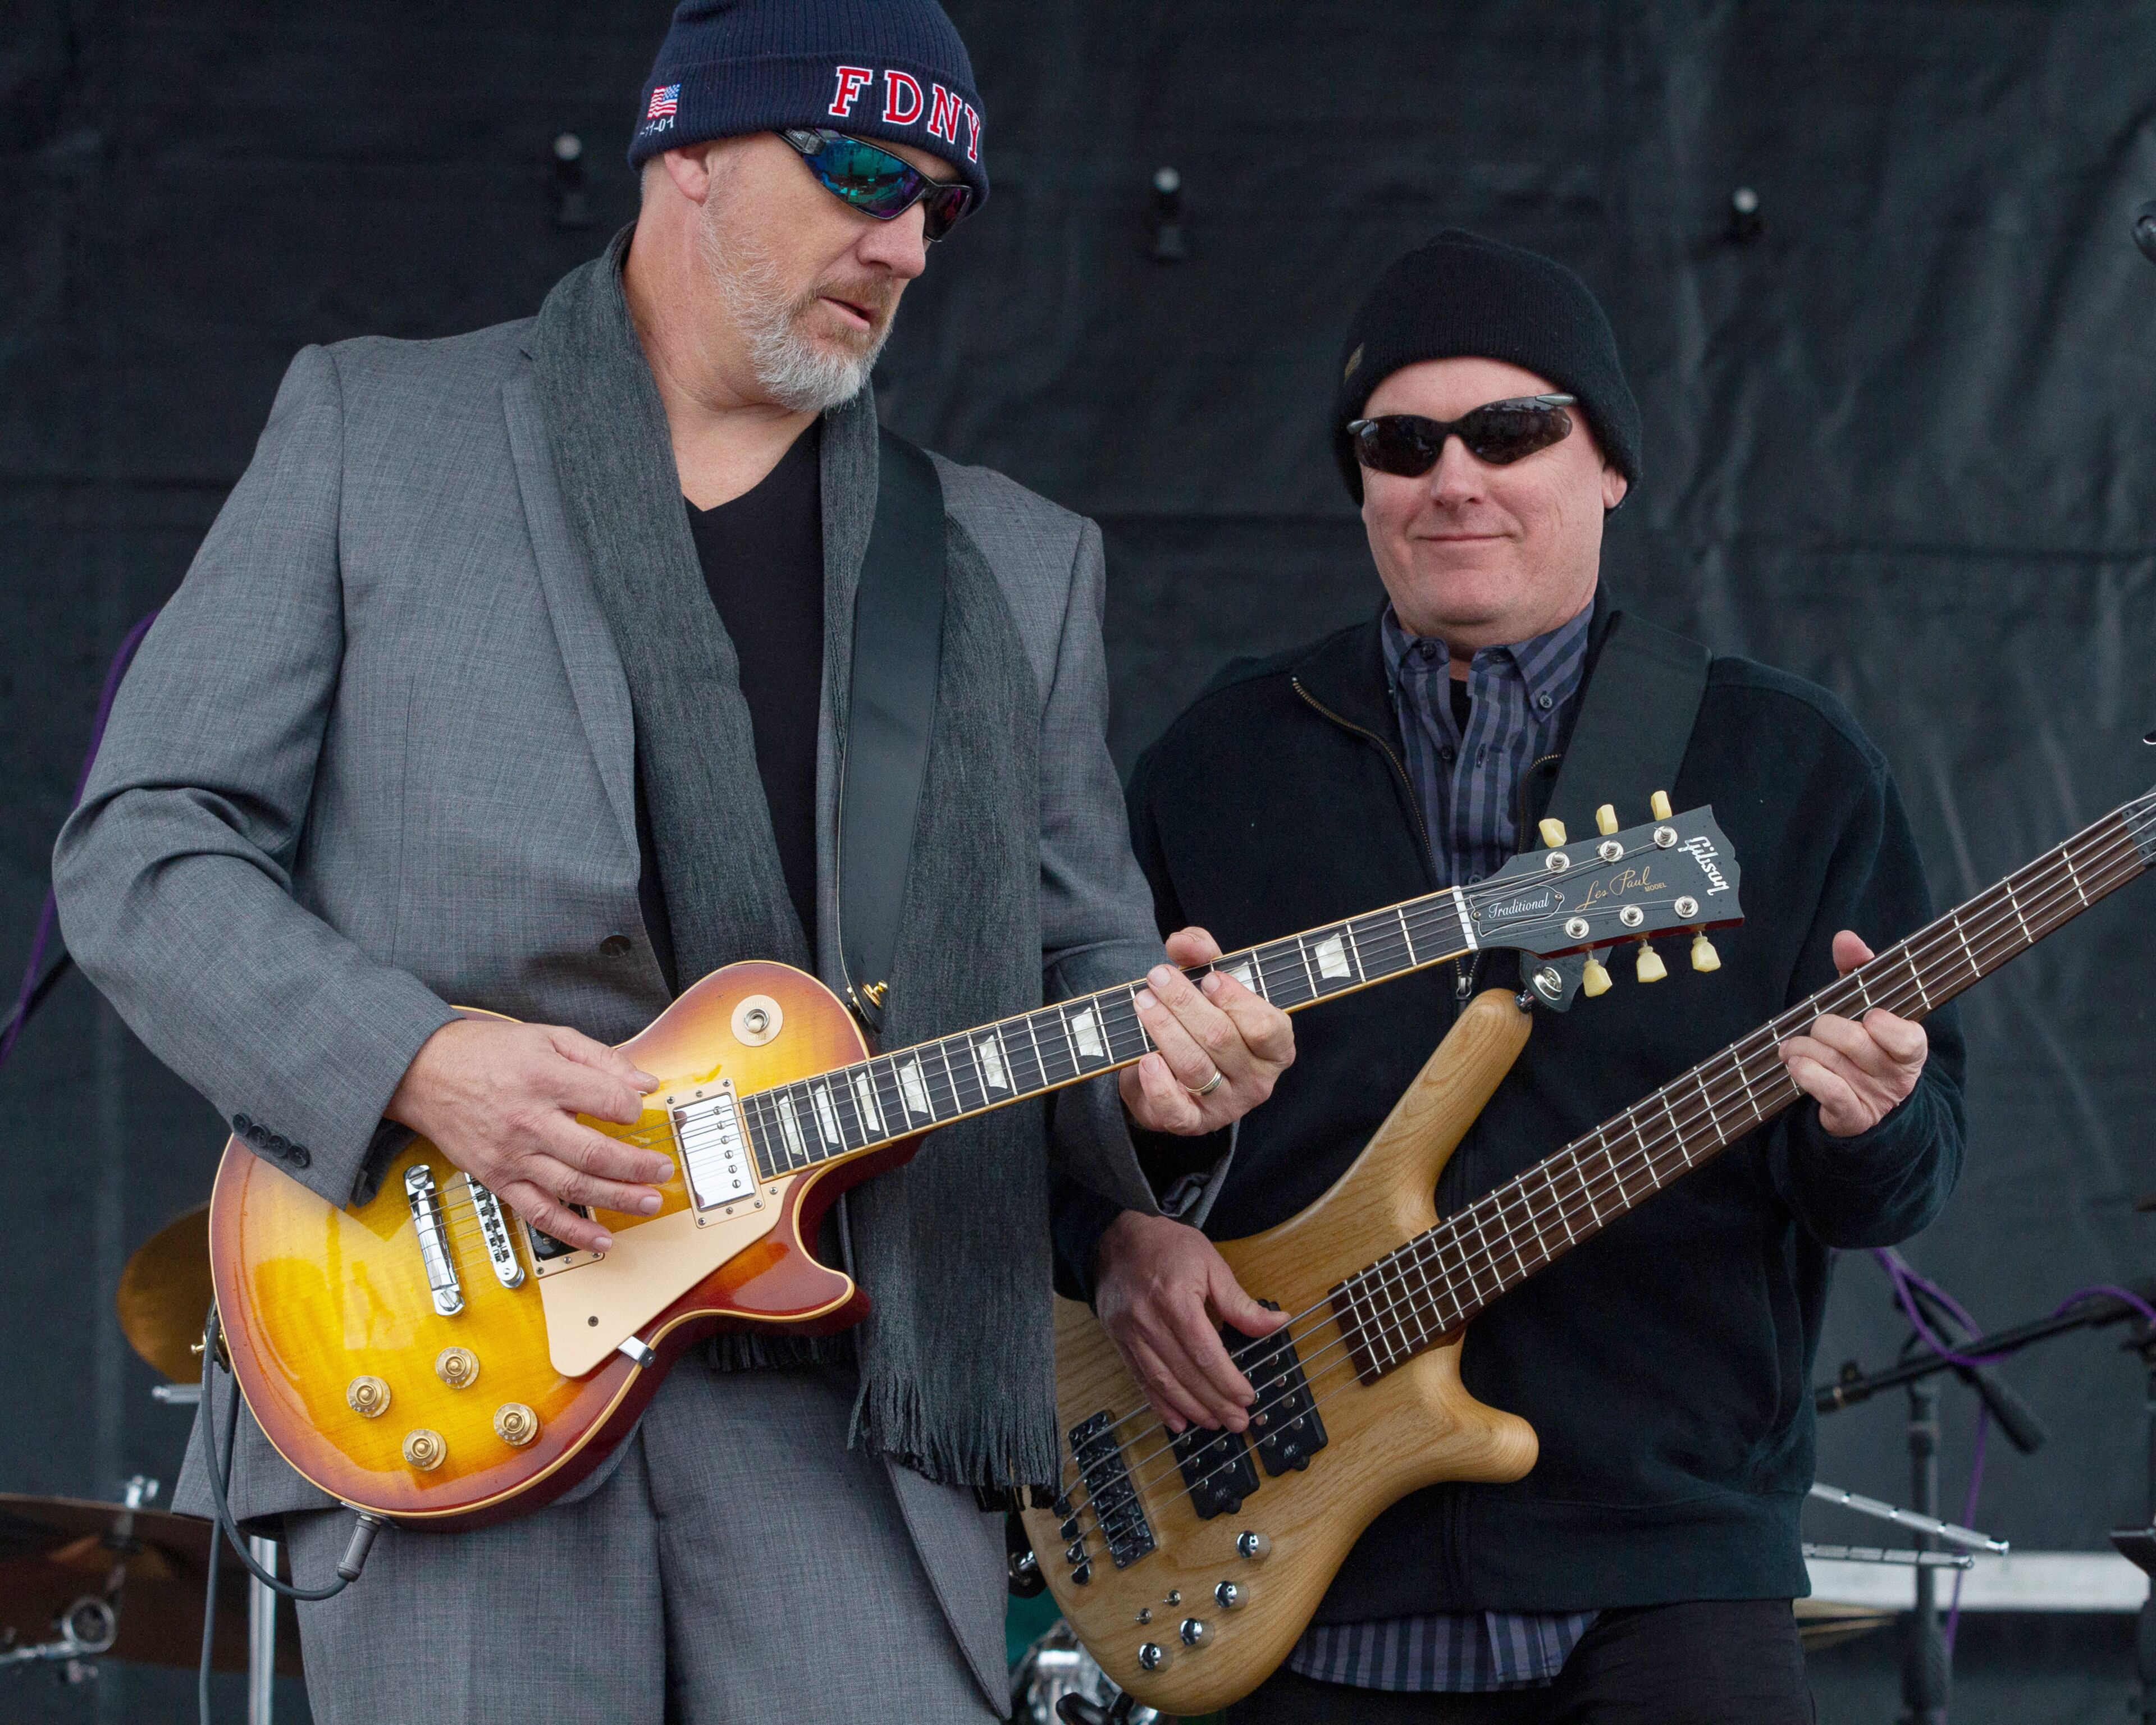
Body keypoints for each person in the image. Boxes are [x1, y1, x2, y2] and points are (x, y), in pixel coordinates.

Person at [51, 3, 1292, 1719]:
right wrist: (424, 1060)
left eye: (946, 204)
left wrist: (1169, 1091)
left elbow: (1089, 977)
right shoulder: (372, 435)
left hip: (853, 1402)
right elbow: (144, 845)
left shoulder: (1013, 562)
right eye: (865, 173)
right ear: (685, 152)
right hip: (455, 1368)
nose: (908, 242)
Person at [1052, 230, 1965, 1723]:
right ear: (1360, 483)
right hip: (1291, 1563)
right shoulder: (1218, 764)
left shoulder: (1785, 770)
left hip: (1666, 1571)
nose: (1454, 476)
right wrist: (1109, 1236)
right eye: (1402, 442)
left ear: (1609, 463)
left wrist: (1877, 1120)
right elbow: (1070, 1096)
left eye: (1513, 428)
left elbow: (1893, 1189)